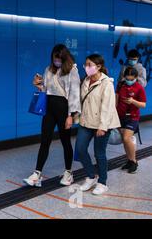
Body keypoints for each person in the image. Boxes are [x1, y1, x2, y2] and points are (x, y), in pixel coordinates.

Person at [24, 44, 81, 188]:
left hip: (64, 108)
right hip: (49, 108)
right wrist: (38, 85)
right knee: (45, 140)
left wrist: (70, 116)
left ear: (64, 58)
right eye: (55, 59)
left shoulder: (72, 71)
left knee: (65, 141)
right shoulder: (48, 70)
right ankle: (37, 174)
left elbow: (74, 94)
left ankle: (68, 172)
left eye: (59, 59)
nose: (57, 61)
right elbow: (46, 89)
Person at [76, 54, 120, 195]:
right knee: (80, 149)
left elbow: (107, 107)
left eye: (89, 65)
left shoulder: (106, 83)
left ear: (98, 66)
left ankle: (102, 182)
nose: (86, 67)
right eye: (85, 65)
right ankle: (90, 177)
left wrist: (102, 126)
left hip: (102, 124)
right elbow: (82, 101)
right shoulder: (86, 81)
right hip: (86, 122)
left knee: (99, 153)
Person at [116, 67, 146, 174]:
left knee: (126, 138)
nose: (129, 80)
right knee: (124, 140)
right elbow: (116, 99)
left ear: (136, 77)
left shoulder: (139, 88)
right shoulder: (121, 85)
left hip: (132, 117)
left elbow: (143, 104)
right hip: (120, 116)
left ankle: (134, 161)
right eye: (127, 78)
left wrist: (133, 101)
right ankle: (129, 160)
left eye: (131, 78)